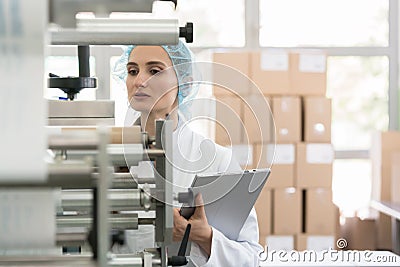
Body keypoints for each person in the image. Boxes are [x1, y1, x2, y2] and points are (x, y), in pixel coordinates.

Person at [113, 41, 263, 266]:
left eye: (154, 71)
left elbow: (250, 258)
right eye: (132, 71)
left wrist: (204, 237)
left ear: (185, 83)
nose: (139, 81)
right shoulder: (109, 155)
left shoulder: (216, 160)